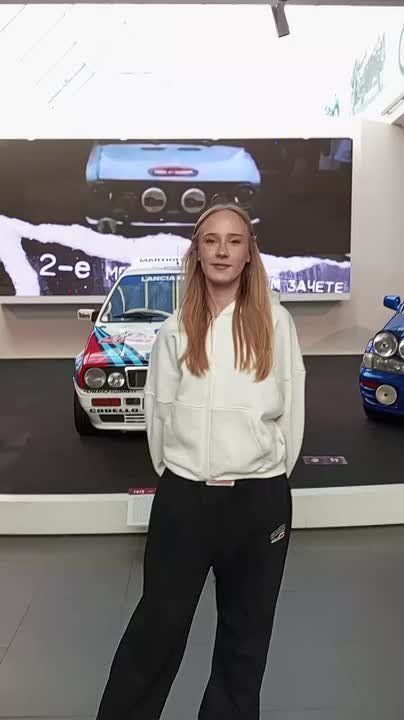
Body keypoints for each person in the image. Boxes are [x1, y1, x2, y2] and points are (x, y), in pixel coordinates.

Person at [96, 202, 306, 720]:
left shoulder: (276, 324)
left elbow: (291, 413)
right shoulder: (175, 329)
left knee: (245, 639)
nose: (222, 251)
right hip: (185, 500)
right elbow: (159, 415)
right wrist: (184, 473)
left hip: (258, 501)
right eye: (211, 240)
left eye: (234, 241)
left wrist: (263, 474)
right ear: (197, 251)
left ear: (250, 253)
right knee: (157, 628)